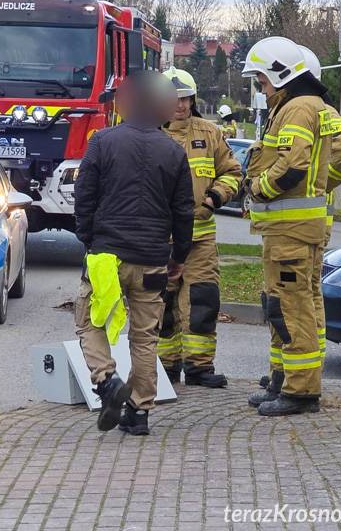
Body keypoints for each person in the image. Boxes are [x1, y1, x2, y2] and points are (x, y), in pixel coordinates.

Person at [74, 71, 194, 436]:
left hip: (107, 256)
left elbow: (84, 194)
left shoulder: (102, 141)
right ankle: (139, 413)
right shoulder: (173, 151)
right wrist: (179, 255)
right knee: (145, 337)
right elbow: (184, 210)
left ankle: (105, 380)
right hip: (153, 259)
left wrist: (87, 238)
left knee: (89, 320)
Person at [242, 36, 332, 416]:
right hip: (291, 231)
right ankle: (284, 379)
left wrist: (257, 189)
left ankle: (300, 391)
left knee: (291, 309)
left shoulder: (296, 110)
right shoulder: (306, 107)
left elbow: (292, 166)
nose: (261, 89)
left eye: (262, 81)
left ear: (279, 74)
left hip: (291, 231)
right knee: (284, 306)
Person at [158, 68, 243, 388]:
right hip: (160, 239)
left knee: (202, 301)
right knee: (161, 306)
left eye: (185, 98)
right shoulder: (150, 133)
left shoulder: (209, 133)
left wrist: (212, 200)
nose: (180, 105)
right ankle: (165, 367)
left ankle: (199, 367)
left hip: (200, 237)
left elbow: (233, 173)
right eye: (173, 98)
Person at [298, 45, 341, 362]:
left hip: (307, 222)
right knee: (301, 296)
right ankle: (298, 365)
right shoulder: (300, 110)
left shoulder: (320, 112)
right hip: (299, 221)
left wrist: (317, 184)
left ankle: (305, 366)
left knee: (303, 296)